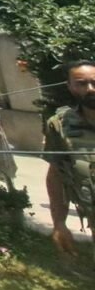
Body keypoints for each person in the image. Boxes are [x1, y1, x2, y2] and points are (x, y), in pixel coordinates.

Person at [44, 59, 95, 258]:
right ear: (70, 86)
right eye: (81, 83)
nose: (90, 89)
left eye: (94, 82)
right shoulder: (60, 125)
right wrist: (59, 223)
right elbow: (56, 175)